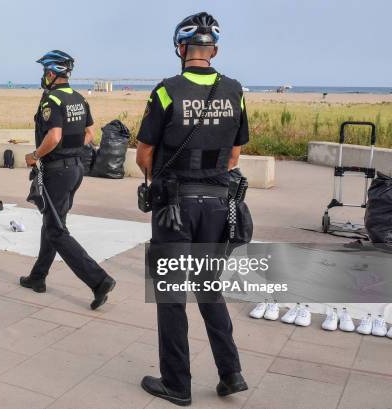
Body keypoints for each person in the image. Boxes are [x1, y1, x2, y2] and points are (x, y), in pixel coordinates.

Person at [136, 12, 249, 406]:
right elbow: (235, 154)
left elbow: (144, 153)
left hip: (175, 206)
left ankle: (177, 385)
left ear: (181, 49)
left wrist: (163, 178)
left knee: (171, 296)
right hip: (219, 204)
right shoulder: (234, 90)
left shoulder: (166, 90)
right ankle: (230, 373)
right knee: (209, 289)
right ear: (213, 50)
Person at [20, 50, 116, 310]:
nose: (43, 76)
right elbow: (89, 134)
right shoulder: (78, 98)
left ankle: (99, 280)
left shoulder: (51, 100)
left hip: (57, 171)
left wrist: (34, 155)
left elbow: (53, 136)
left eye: (44, 72)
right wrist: (72, 152)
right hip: (75, 170)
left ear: (51, 73)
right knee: (52, 222)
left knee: (56, 230)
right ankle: (37, 277)